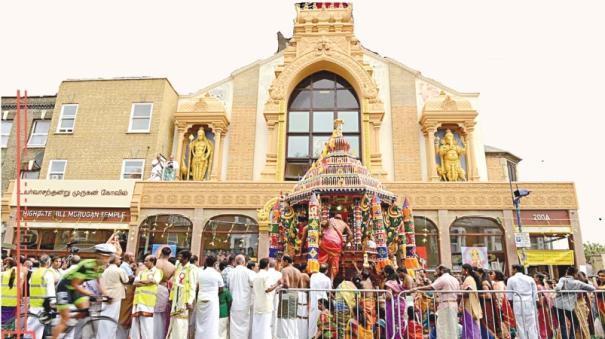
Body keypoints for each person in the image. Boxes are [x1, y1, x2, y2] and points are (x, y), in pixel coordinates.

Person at [51, 244, 115, 339]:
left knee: (85, 311)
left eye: (109, 257)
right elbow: (74, 284)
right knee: (64, 320)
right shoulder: (86, 265)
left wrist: (107, 295)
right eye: (106, 257)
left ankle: (69, 323)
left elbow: (99, 282)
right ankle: (63, 323)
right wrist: (91, 294)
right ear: (98, 256)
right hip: (64, 287)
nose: (107, 260)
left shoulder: (101, 267)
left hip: (75, 288)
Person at [414, 265, 459, 339]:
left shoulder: (442, 278)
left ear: (441, 270)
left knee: (442, 327)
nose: (435, 272)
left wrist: (417, 288)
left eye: (436, 270)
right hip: (453, 304)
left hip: (445, 305)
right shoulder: (455, 279)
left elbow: (431, 287)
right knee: (452, 327)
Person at [554, 266, 595, 339]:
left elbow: (557, 288)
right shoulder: (578, 283)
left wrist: (561, 291)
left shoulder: (562, 279)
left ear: (567, 273)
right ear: (575, 274)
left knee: (563, 323)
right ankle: (571, 337)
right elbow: (592, 288)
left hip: (558, 305)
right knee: (575, 322)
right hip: (568, 306)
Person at [131, 255, 162, 339]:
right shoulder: (142, 272)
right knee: (135, 323)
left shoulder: (157, 272)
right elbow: (134, 283)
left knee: (147, 324)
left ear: (152, 262)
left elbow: (153, 281)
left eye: (146, 261)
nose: (144, 263)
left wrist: (140, 282)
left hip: (147, 301)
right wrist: (145, 282)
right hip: (137, 300)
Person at [168, 250, 196, 339]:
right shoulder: (179, 267)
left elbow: (192, 285)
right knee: (173, 319)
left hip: (184, 298)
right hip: (176, 297)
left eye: (180, 257)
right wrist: (171, 297)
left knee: (181, 321)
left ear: (186, 258)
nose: (178, 258)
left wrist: (190, 300)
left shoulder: (192, 268)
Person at [25, 255, 55, 339]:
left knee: (30, 327)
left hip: (33, 304)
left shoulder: (34, 273)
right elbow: (50, 290)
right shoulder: (47, 273)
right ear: (48, 263)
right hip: (43, 305)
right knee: (39, 330)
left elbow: (30, 284)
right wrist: (53, 303)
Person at [99, 254, 129, 338]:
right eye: (119, 259)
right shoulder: (119, 270)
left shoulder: (105, 270)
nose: (120, 260)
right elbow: (126, 280)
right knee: (113, 318)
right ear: (115, 260)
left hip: (106, 296)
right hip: (116, 296)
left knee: (104, 317)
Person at [195, 255, 224, 339]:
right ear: (215, 263)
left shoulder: (200, 272)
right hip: (212, 300)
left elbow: (197, 286)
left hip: (201, 299)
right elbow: (221, 288)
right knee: (212, 323)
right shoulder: (217, 274)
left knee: (200, 321)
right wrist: (214, 292)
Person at [252, 258, 281, 339]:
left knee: (257, 327)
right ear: (267, 265)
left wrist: (274, 285)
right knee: (265, 328)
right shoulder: (266, 275)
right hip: (265, 305)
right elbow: (268, 289)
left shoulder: (256, 275)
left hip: (257, 304)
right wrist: (277, 284)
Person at [507, 264, 538, 339]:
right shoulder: (530, 278)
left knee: (520, 324)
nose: (512, 271)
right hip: (529, 302)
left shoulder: (511, 279)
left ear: (515, 269)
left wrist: (512, 306)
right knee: (531, 324)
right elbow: (535, 294)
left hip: (517, 303)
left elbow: (509, 296)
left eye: (512, 269)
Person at [229, 254, 255, 339]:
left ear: (235, 262)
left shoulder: (231, 272)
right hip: (245, 302)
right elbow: (254, 283)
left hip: (234, 302)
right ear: (244, 262)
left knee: (234, 323)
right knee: (244, 323)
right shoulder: (248, 272)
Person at [318, 215, 352, 279]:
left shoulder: (331, 220)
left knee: (322, 257)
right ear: (341, 218)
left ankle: (319, 274)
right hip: (337, 243)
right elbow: (351, 235)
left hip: (326, 240)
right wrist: (345, 244)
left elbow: (322, 224)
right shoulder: (344, 223)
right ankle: (331, 280)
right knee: (334, 263)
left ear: (335, 217)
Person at [276, 255, 302, 339]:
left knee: (284, 317)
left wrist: (279, 287)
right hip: (295, 295)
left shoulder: (285, 270)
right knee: (292, 317)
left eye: (282, 261)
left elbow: (287, 284)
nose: (281, 263)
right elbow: (301, 286)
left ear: (286, 261)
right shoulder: (298, 271)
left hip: (286, 295)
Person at [154, 246, 176, 339]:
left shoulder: (155, 262)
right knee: (162, 313)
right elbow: (172, 281)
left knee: (151, 312)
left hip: (152, 287)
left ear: (161, 253)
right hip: (163, 288)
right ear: (169, 254)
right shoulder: (172, 267)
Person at [460, 264, 482, 339]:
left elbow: (468, 292)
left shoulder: (469, 279)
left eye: (462, 269)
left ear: (466, 270)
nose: (461, 271)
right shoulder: (469, 278)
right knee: (468, 325)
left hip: (469, 306)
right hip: (469, 305)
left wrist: (459, 294)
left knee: (470, 325)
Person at [310, 263, 332, 338]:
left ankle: (312, 336)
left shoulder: (313, 276)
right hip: (323, 302)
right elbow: (329, 291)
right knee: (323, 320)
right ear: (326, 271)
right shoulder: (327, 279)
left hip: (313, 301)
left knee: (313, 320)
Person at [383, 265, 406, 339]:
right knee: (399, 323)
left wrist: (384, 297)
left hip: (393, 304)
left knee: (392, 323)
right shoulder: (398, 281)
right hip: (401, 303)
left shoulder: (389, 283)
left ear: (387, 273)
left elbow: (389, 296)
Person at [477, 268, 500, 339]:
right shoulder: (487, 281)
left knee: (487, 323)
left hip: (486, 306)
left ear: (481, 273)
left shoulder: (484, 282)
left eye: (478, 273)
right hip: (488, 305)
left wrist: (477, 295)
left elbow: (488, 295)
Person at [491, 270, 515, 339]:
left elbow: (499, 296)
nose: (491, 275)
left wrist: (498, 306)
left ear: (496, 275)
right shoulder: (501, 283)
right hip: (504, 304)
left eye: (492, 274)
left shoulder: (497, 284)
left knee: (502, 322)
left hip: (501, 305)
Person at [218, 261, 233, 339]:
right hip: (224, 313)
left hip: (215, 313)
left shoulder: (213, 290)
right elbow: (230, 301)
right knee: (223, 332)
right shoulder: (226, 291)